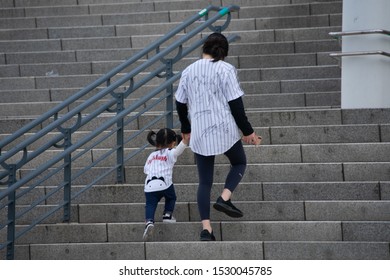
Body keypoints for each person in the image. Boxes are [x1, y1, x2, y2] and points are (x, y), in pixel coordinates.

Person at [175, 32, 261, 241]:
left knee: (204, 182)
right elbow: (236, 104)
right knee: (239, 162)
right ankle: (224, 197)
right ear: (224, 52)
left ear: (203, 48)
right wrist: (248, 132)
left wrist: (186, 128)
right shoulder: (225, 69)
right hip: (224, 130)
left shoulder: (188, 70)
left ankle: (207, 229)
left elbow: (179, 102)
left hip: (200, 133)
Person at [142, 128, 189, 241]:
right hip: (165, 184)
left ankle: (149, 222)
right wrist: (185, 140)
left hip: (149, 186)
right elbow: (179, 150)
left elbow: (145, 170)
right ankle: (167, 215)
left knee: (150, 205)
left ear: (157, 141)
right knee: (171, 197)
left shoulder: (151, 155)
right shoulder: (171, 152)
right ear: (173, 143)